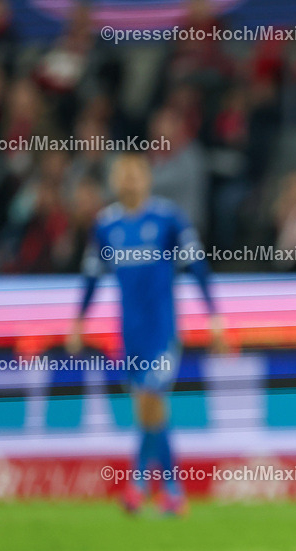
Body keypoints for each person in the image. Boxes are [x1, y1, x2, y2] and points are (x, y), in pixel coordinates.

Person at [68, 153, 224, 515]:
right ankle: (170, 490)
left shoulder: (168, 219)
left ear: (147, 179)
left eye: (135, 174)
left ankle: (140, 484)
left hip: (163, 332)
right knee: (147, 411)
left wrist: (214, 316)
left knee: (151, 398)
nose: (129, 181)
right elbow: (91, 276)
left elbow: (197, 266)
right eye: (123, 175)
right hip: (130, 336)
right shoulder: (105, 225)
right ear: (113, 181)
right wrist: (78, 320)